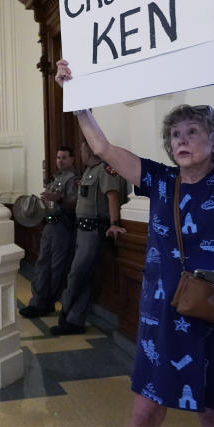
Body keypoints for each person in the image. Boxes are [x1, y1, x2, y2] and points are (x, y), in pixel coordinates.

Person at [55, 9, 214, 427]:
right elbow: (102, 148)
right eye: (175, 134)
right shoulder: (159, 180)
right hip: (166, 315)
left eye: (193, 132)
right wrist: (75, 97)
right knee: (144, 411)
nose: (182, 139)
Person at [49, 138, 128, 335]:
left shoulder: (105, 169)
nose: (81, 154)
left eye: (83, 151)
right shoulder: (88, 172)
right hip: (81, 230)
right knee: (82, 276)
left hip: (94, 230)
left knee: (77, 275)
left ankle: (66, 314)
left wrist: (114, 224)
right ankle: (74, 320)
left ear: (90, 151)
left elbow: (112, 196)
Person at [19, 146, 79, 318]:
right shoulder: (55, 179)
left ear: (72, 159)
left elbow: (76, 204)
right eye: (58, 157)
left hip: (63, 226)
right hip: (49, 225)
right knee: (42, 264)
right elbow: (50, 203)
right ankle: (38, 301)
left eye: (64, 158)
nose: (60, 161)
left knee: (56, 266)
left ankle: (47, 302)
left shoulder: (73, 179)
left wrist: (58, 198)